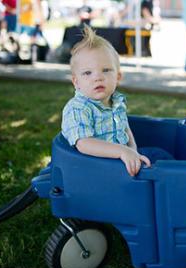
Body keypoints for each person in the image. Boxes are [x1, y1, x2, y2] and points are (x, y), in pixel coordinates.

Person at [61, 26, 167, 176]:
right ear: (76, 82)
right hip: (96, 169)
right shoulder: (78, 108)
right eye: (87, 73)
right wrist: (122, 152)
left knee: (160, 155)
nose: (97, 77)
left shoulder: (116, 101)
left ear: (118, 77)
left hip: (120, 159)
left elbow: (126, 129)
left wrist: (133, 152)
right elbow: (84, 144)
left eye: (106, 70)